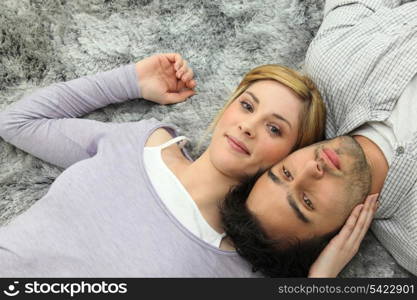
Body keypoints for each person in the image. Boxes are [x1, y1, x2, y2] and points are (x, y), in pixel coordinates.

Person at [0, 53, 326, 277]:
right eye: (247, 105)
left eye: (274, 128)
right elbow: (16, 122)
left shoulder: (230, 264)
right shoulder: (146, 141)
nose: (248, 126)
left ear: (290, 157)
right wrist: (132, 80)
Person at [222, 0, 417, 277]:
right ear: (336, 239)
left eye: (287, 172)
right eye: (307, 202)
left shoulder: (332, 62)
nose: (312, 170)